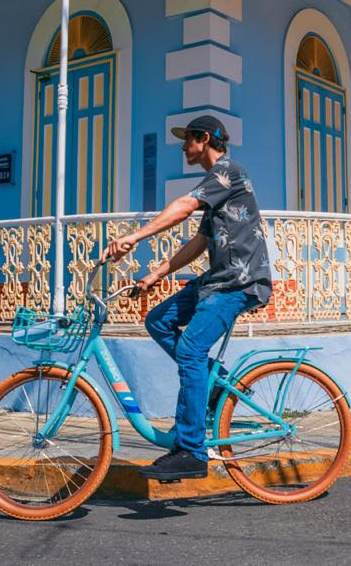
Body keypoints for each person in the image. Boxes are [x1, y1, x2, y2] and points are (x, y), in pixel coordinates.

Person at [105, 115, 271, 481]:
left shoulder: (229, 173)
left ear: (205, 139)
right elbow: (199, 242)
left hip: (239, 283)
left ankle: (192, 451)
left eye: (188, 140)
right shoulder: (216, 186)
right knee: (158, 320)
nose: (182, 147)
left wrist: (136, 236)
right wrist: (156, 274)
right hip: (216, 281)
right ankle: (213, 383)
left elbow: (183, 205)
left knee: (190, 349)